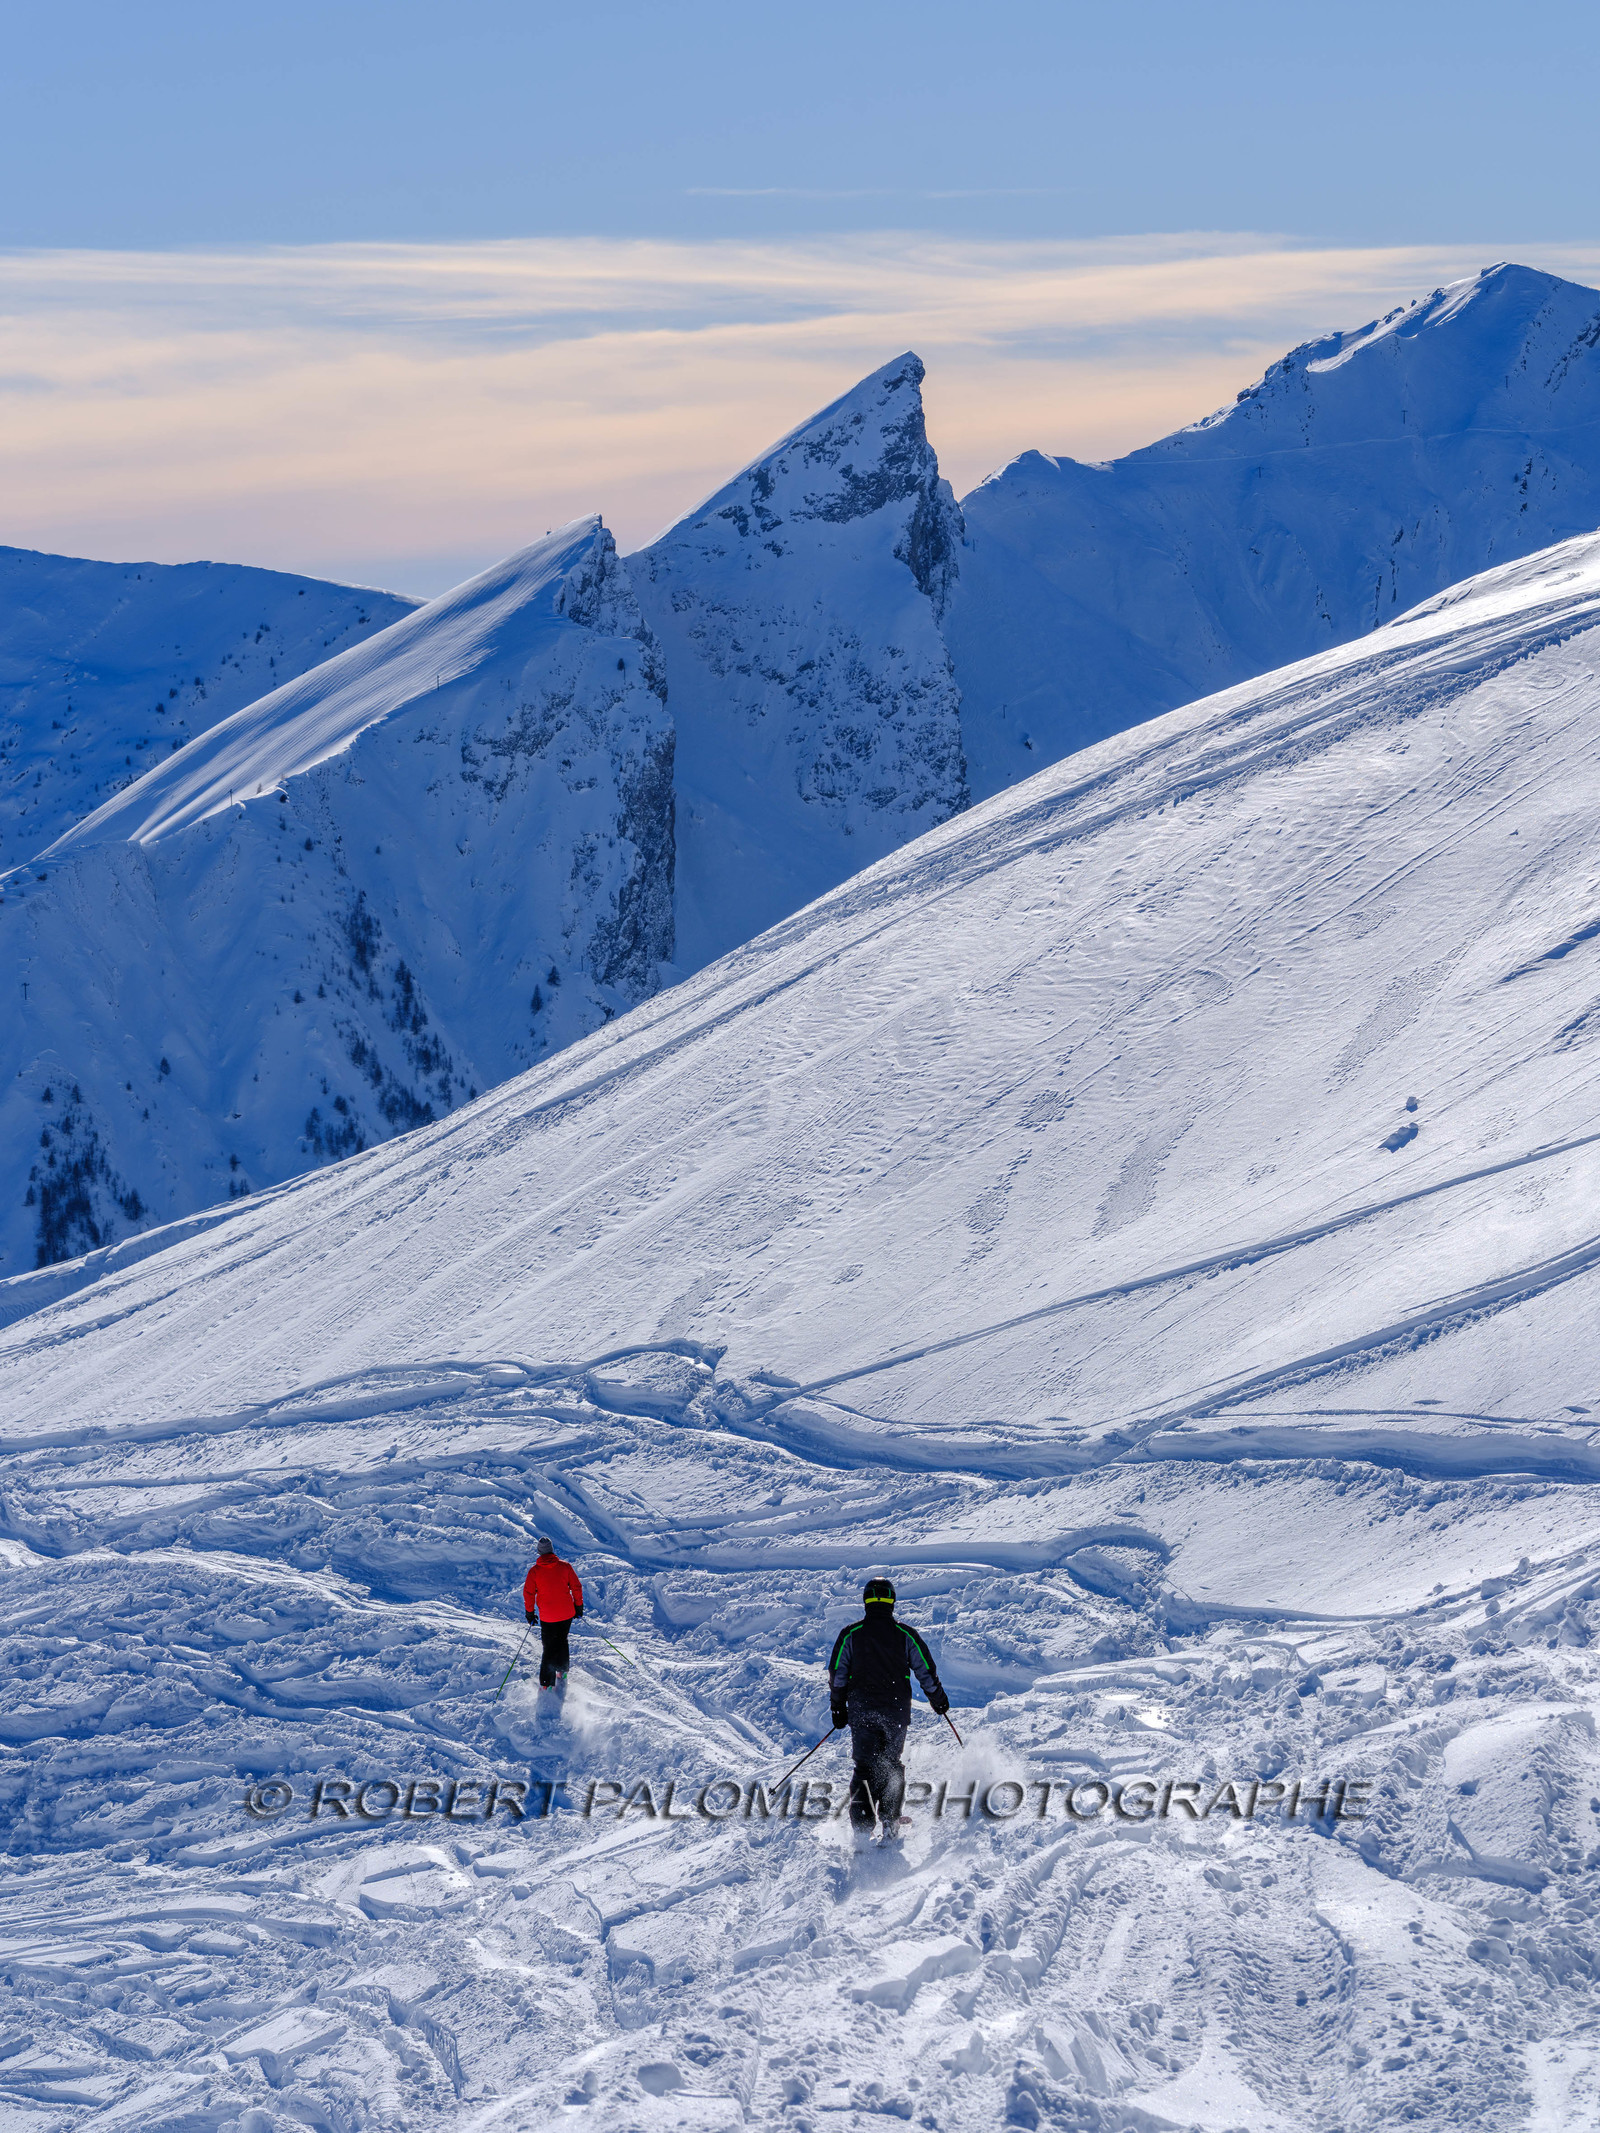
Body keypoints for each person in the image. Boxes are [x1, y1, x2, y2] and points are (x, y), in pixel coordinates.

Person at [828, 1578, 949, 1838]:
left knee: (864, 1767)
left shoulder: (851, 1634)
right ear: (892, 1601)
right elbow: (924, 1669)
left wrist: (838, 1706)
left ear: (866, 1601)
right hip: (895, 1712)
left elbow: (838, 1673)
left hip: (862, 1710)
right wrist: (937, 1698)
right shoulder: (905, 1634)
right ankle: (890, 1820)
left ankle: (862, 1827)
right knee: (891, 1763)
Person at [523, 1535, 584, 1688]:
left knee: (549, 1647)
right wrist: (578, 1606)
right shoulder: (565, 1567)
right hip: (566, 1613)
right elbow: (576, 1587)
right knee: (562, 1640)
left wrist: (530, 1613)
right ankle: (561, 1671)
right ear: (551, 1550)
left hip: (548, 1616)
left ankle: (546, 1684)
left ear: (539, 1552)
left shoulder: (534, 1571)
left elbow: (529, 1593)